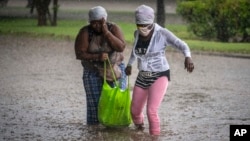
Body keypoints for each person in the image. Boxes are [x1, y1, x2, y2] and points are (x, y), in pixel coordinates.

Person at [125, 5, 194, 136]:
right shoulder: (137, 34)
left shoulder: (162, 33)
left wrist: (188, 57)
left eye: (146, 25)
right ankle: (139, 131)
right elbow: (136, 51)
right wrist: (129, 64)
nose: (143, 28)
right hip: (143, 75)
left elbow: (182, 44)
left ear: (152, 23)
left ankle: (154, 137)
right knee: (134, 110)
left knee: (151, 111)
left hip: (159, 75)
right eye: (140, 25)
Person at [74, 6, 126, 125]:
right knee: (95, 105)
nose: (96, 26)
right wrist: (96, 57)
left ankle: (115, 128)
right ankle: (94, 132)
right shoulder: (85, 32)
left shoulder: (114, 28)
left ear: (105, 20)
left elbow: (121, 47)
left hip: (115, 70)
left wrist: (106, 32)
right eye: (93, 23)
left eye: (99, 22)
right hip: (92, 71)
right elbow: (79, 53)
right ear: (90, 22)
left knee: (116, 101)